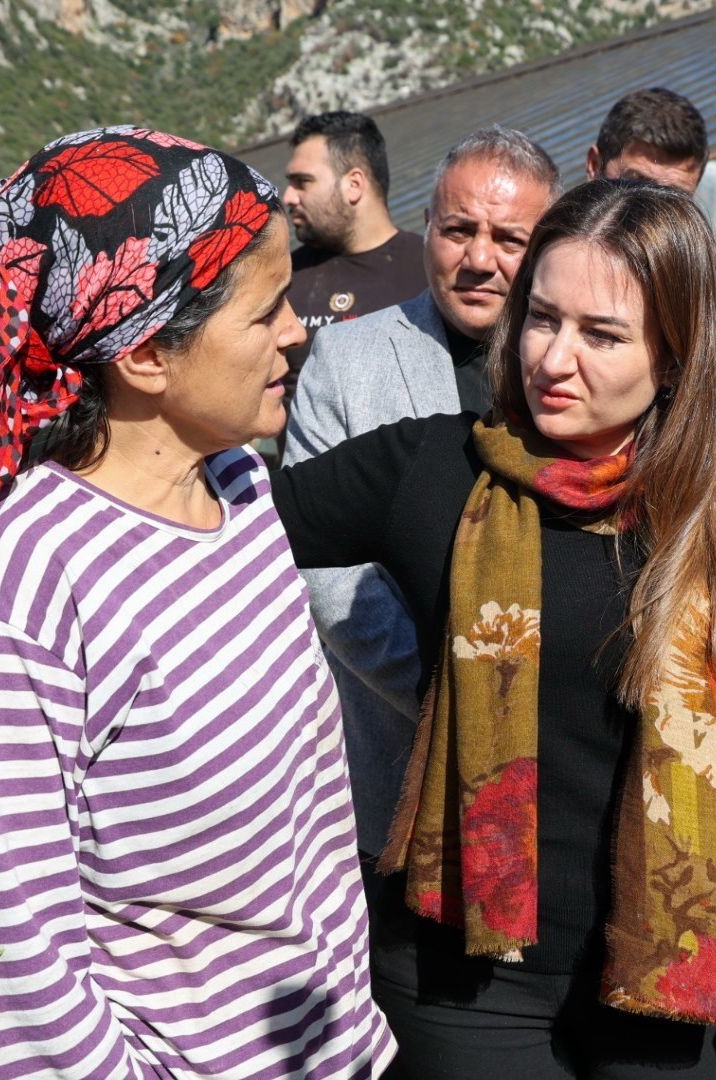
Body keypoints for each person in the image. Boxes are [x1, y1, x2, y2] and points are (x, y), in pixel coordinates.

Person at [273, 179, 716, 1079]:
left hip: (674, 992)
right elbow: (219, 516)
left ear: (674, 357)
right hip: (463, 985)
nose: (552, 358)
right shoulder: (435, 469)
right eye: (541, 318)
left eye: (600, 334)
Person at [0, 126, 395, 1079]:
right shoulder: (23, 578)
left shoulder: (238, 488)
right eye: (265, 311)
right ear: (147, 353)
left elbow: (300, 849)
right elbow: (10, 981)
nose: (295, 330)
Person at [283, 126, 559, 866]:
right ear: (427, 225)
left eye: (509, 239)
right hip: (393, 768)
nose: (479, 259)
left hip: (557, 776)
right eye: (458, 230)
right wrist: (463, 698)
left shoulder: (578, 369)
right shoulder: (345, 359)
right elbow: (331, 579)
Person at [585, 87, 716, 387]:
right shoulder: (535, 257)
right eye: (635, 183)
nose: (650, 208)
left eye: (673, 197)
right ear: (594, 166)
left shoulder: (709, 284)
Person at [282, 111, 426, 400]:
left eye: (302, 182)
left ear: (354, 184)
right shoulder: (281, 278)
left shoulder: (429, 269)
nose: (288, 197)